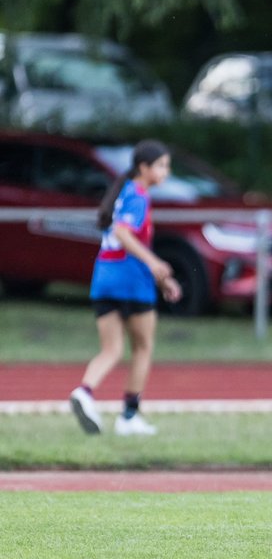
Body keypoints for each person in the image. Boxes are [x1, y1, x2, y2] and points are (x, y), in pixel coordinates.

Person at [69, 140, 182, 437]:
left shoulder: (121, 194)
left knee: (111, 349)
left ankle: (84, 392)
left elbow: (124, 237)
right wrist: (155, 263)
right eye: (161, 166)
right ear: (143, 168)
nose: (165, 172)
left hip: (103, 278)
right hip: (131, 281)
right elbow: (123, 233)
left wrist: (163, 278)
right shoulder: (138, 195)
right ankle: (129, 417)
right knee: (143, 347)